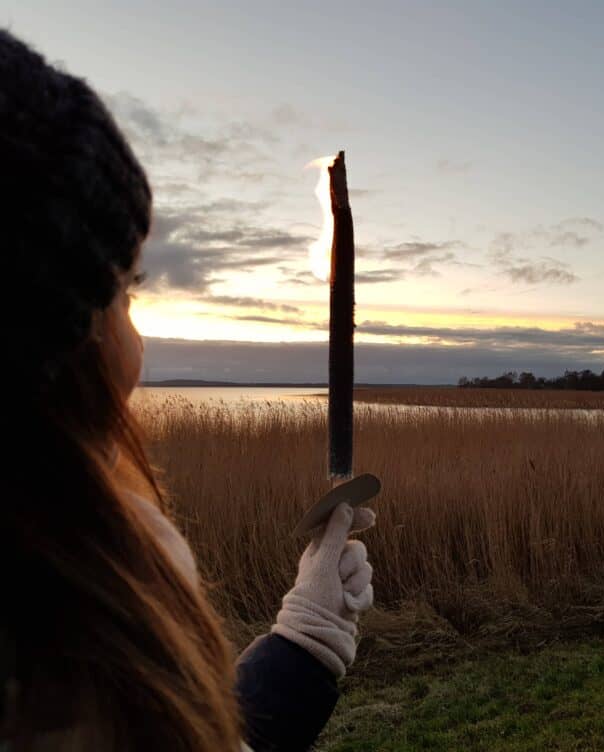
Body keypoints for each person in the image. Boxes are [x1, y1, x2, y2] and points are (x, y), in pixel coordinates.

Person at [0, 28, 375, 752]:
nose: (136, 348)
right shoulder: (52, 661)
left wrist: (308, 636)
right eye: (124, 295)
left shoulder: (54, 638)